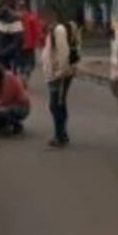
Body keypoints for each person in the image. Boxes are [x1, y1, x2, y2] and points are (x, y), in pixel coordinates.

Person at [41, 11, 80, 147]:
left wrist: (60, 72)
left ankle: (60, 136)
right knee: (59, 103)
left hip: (60, 75)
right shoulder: (54, 31)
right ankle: (62, 134)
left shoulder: (58, 31)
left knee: (56, 104)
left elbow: (64, 53)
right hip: (55, 74)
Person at [16, 0, 40, 86]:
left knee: (20, 62)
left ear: (18, 7)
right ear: (26, 7)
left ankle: (22, 75)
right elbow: (36, 30)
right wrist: (36, 40)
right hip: (29, 44)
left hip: (18, 44)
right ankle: (26, 74)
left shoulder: (15, 17)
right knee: (30, 62)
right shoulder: (31, 17)